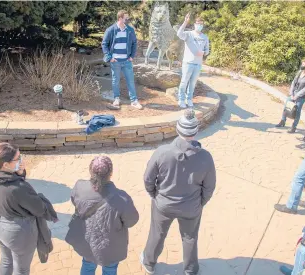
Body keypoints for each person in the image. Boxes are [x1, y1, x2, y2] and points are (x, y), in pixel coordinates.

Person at [140, 109, 216, 275]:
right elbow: (209, 187)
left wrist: (155, 195)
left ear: (177, 129)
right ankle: (190, 270)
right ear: (196, 131)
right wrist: (199, 203)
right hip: (191, 207)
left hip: (164, 205)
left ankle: (149, 263)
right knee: (190, 238)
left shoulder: (162, 152)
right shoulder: (206, 157)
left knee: (157, 234)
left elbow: (148, 179)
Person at [0, 143, 57, 275]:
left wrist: (19, 172)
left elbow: (11, 185)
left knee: (6, 261)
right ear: (6, 164)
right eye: (17, 158)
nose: (21, 160)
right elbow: (40, 209)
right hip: (17, 233)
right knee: (22, 269)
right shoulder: (18, 188)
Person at [65, 156, 139, 275]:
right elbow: (132, 221)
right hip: (110, 247)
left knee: (87, 266)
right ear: (111, 173)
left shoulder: (79, 186)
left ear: (90, 172)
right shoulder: (122, 198)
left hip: (87, 241)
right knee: (110, 269)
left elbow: (75, 202)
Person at [101, 10, 143, 110]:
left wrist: (132, 56)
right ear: (120, 19)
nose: (127, 20)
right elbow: (104, 44)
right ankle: (116, 99)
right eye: (126, 18)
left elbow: (134, 43)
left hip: (127, 61)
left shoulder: (130, 30)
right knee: (116, 81)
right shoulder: (111, 30)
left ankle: (134, 101)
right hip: (115, 62)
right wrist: (110, 57)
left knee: (130, 81)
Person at [177, 13, 210, 108]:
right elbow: (179, 34)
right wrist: (185, 22)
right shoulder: (189, 34)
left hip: (198, 64)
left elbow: (207, 50)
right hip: (188, 63)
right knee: (184, 82)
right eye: (198, 23)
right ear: (195, 24)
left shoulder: (205, 37)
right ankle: (181, 100)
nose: (199, 25)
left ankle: (189, 99)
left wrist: (203, 53)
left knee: (193, 83)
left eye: (201, 24)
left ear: (203, 25)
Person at [276, 59, 305, 133]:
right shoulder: (300, 72)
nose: (302, 65)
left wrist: (297, 96)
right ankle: (282, 121)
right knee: (286, 107)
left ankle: (294, 126)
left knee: (297, 111)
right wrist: (291, 93)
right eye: (302, 64)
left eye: (303, 64)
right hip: (293, 94)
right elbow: (293, 82)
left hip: (301, 97)